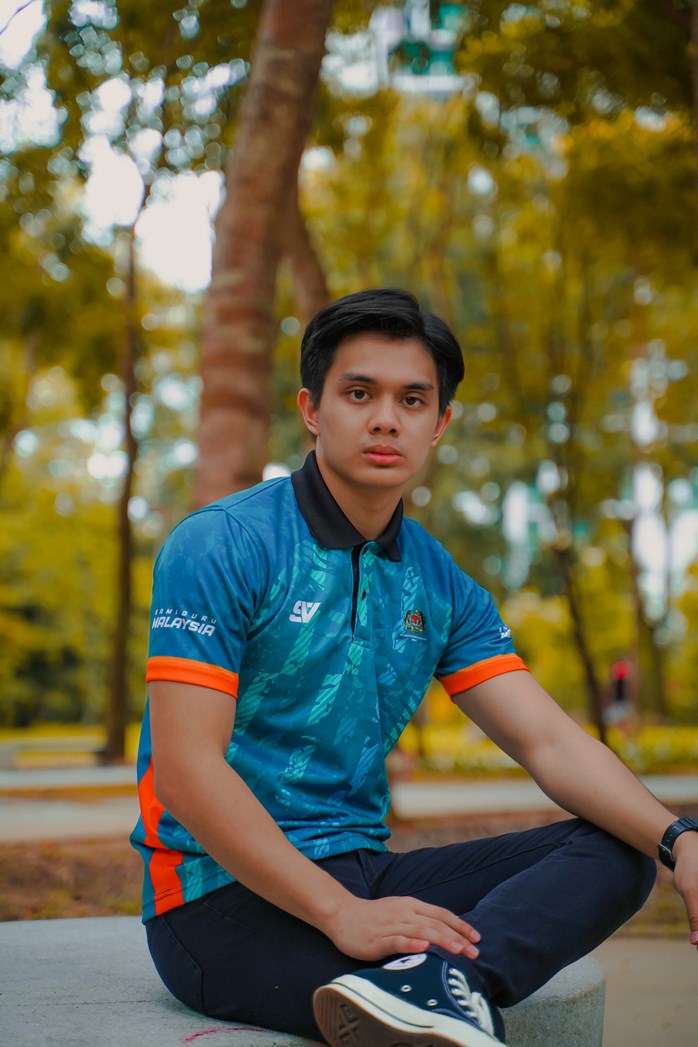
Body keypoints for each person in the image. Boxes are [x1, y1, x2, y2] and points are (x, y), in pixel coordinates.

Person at [131, 288, 698, 1047]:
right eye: (358, 393)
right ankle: (434, 990)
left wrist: (681, 839)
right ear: (311, 409)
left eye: (412, 399)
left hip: (368, 871)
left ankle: (437, 984)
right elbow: (186, 771)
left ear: (439, 424)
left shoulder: (439, 582)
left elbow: (549, 742)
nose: (385, 418)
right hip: (217, 899)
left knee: (620, 848)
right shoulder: (222, 543)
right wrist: (340, 914)